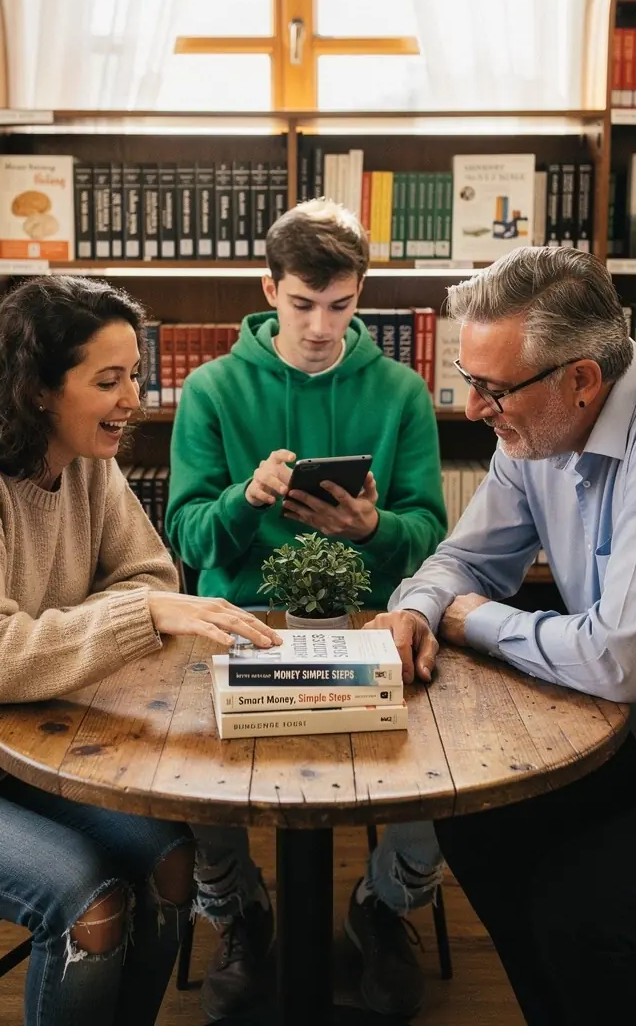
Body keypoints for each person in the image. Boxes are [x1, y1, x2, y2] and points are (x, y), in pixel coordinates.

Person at [0, 275, 280, 1026]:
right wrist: (132, 618)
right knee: (90, 901)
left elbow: (148, 575)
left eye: (134, 373)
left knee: (172, 859)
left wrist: (91, 622)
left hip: (14, 753)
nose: (134, 396)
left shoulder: (87, 462)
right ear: (38, 387)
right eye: (109, 380)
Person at [369, 245, 636, 1026]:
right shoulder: (539, 424)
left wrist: (467, 618)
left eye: (490, 390)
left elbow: (619, 659)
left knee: (579, 907)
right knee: (483, 829)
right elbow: (464, 558)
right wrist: (420, 610)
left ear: (582, 380)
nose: (471, 410)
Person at [166, 199, 448, 1020]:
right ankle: (238, 909)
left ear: (361, 295)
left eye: (341, 304)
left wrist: (375, 527)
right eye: (302, 304)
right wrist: (245, 501)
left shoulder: (400, 390)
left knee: (450, 767)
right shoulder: (212, 388)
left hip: (364, 623)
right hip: (238, 622)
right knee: (183, 761)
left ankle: (384, 904)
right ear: (269, 288)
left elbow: (430, 532)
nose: (321, 326)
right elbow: (188, 532)